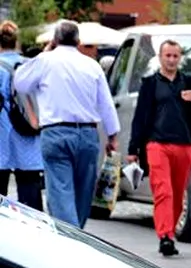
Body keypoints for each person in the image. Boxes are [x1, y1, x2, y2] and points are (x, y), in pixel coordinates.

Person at [13, 20, 118, 228]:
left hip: (55, 133)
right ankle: (76, 232)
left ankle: (70, 237)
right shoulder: (92, 65)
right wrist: (112, 136)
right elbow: (106, 104)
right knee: (84, 190)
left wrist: (45, 51)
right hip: (88, 134)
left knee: (60, 191)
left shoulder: (45, 61)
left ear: (55, 40)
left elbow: (20, 82)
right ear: (79, 41)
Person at [125, 39, 191, 257]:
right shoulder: (150, 83)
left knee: (176, 194)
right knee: (163, 190)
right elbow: (140, 118)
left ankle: (169, 232)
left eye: (175, 56)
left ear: (180, 57)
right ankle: (165, 236)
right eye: (168, 56)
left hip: (185, 146)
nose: (171, 60)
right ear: (160, 57)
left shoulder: (189, 82)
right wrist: (133, 149)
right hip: (157, 145)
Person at [0, 21, 42, 211]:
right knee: (30, 196)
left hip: (2, 135)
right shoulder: (29, 65)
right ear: (16, 41)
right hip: (26, 132)